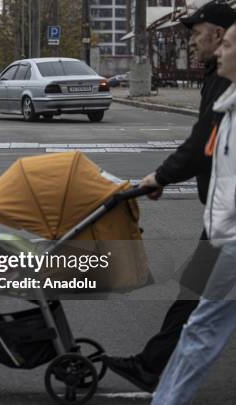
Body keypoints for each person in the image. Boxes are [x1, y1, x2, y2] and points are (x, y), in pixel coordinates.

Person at [104, 0, 236, 392]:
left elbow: (200, 146)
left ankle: (153, 368)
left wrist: (158, 177)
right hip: (223, 218)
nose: (193, 43)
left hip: (227, 223)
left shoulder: (226, 81)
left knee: (199, 302)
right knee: (196, 300)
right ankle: (153, 365)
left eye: (198, 35)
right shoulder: (218, 76)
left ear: (217, 34)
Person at [151, 22, 236, 404]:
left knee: (202, 324)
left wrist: (160, 177)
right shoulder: (226, 106)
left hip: (230, 240)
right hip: (223, 234)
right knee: (201, 321)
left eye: (229, 45)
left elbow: (200, 144)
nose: (221, 52)